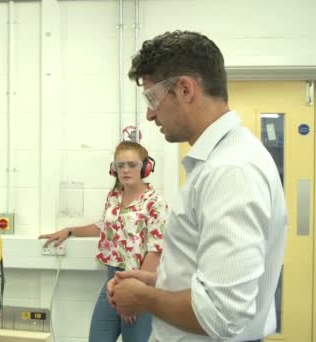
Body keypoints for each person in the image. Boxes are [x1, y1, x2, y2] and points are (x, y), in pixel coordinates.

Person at [107, 31, 288, 342]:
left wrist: (144, 298)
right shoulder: (220, 161)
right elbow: (210, 275)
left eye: (152, 99)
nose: (150, 114)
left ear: (185, 89)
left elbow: (221, 314)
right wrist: (158, 282)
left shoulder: (231, 171)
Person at [39, 141, 168, 342]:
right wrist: (69, 230)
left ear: (145, 167)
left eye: (132, 165)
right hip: (112, 281)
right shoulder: (114, 196)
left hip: (140, 286)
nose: (125, 170)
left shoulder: (155, 202)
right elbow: (103, 227)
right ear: (113, 169)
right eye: (120, 165)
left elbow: (156, 251)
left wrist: (134, 292)